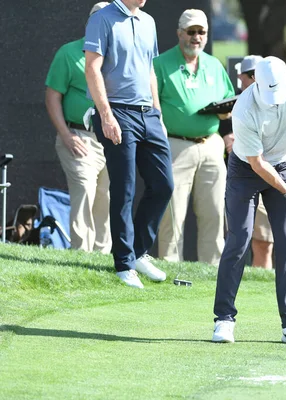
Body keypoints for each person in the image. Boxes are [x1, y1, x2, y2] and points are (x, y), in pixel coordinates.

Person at [212, 57, 286, 345]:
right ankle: (224, 320)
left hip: (285, 165)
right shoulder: (244, 108)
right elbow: (257, 163)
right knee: (240, 238)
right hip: (247, 169)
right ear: (255, 83)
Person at [84, 0, 175, 289]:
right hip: (117, 112)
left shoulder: (148, 21)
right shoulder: (103, 18)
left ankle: (138, 252)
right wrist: (106, 114)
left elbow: (148, 70)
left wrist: (157, 113)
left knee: (164, 185)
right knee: (124, 188)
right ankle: (124, 262)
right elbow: (92, 68)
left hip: (148, 113)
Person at [154, 9, 235, 264]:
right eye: (191, 32)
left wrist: (224, 114)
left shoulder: (213, 65)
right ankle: (169, 265)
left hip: (211, 145)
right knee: (173, 213)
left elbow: (229, 101)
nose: (196, 37)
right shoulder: (160, 64)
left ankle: (213, 271)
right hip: (176, 145)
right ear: (180, 33)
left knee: (214, 212)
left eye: (201, 32)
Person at [45, 2, 111, 254]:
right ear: (89, 23)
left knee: (106, 197)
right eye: (97, 20)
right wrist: (65, 135)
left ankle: (103, 257)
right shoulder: (69, 52)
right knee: (84, 190)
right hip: (78, 136)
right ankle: (80, 254)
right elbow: (53, 97)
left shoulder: (117, 55)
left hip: (110, 137)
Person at [238, 55, 275, 269]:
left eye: (258, 75)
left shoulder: (274, 102)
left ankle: (262, 282)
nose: (254, 79)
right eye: (250, 75)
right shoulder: (235, 105)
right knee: (237, 239)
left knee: (264, 241)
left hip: (267, 171)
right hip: (239, 177)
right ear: (241, 77)